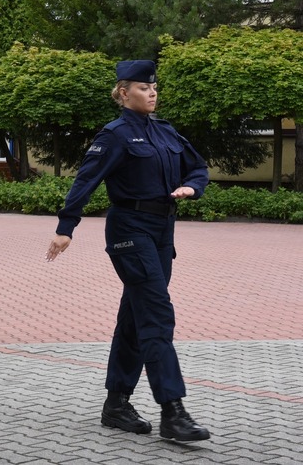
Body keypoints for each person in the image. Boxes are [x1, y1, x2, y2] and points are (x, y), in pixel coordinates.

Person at [46, 60, 211, 442]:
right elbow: (86, 180)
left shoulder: (165, 131)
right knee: (156, 314)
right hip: (129, 229)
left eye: (154, 87)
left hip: (163, 231)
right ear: (123, 93)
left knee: (136, 317)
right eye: (142, 88)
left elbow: (198, 167)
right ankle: (173, 411)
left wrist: (192, 187)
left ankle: (116, 404)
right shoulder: (115, 135)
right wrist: (66, 228)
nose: (152, 93)